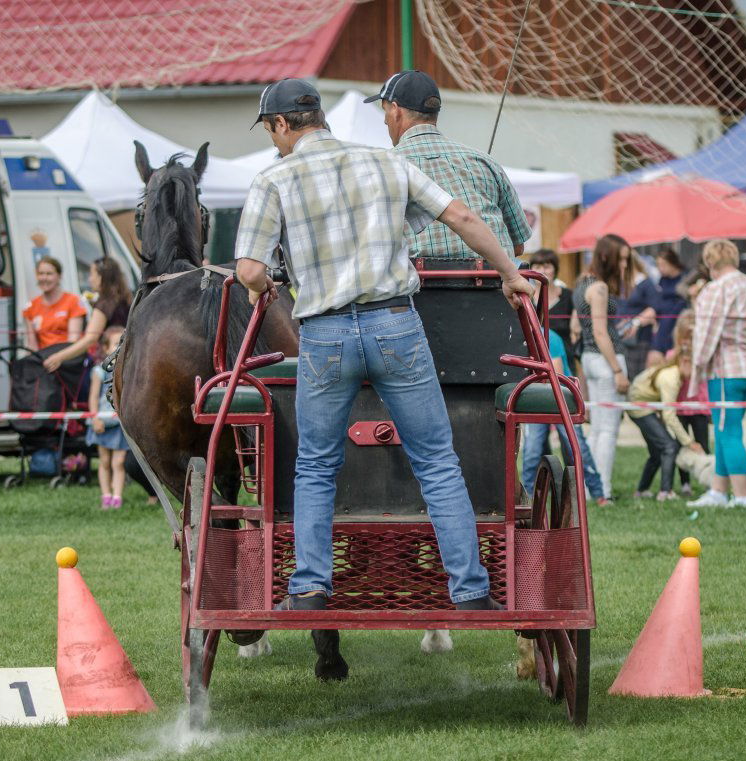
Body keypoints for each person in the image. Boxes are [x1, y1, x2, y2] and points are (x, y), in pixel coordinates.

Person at [234, 78, 533, 611]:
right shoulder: (384, 162)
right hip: (395, 323)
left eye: (272, 131)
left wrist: (266, 287)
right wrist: (511, 274)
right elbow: (462, 217)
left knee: (316, 464)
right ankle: (469, 592)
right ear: (320, 117)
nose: (273, 141)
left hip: (324, 334)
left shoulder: (274, 178)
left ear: (282, 125)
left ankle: (308, 588)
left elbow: (250, 271)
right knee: (438, 461)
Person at [370, 70, 531, 263]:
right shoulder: (484, 161)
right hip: (492, 286)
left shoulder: (383, 167)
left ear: (396, 111)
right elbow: (518, 246)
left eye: (385, 111)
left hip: (421, 289)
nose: (384, 120)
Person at [689, 239, 746, 509]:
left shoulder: (716, 289)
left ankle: (742, 496)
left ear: (711, 263)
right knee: (727, 429)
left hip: (727, 368)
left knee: (728, 432)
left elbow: (706, 332)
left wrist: (697, 365)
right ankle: (717, 490)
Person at [520, 327, 607, 506]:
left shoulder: (549, 337)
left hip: (562, 396)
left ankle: (598, 493)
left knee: (577, 447)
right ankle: (526, 499)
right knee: (531, 450)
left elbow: (557, 374)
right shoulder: (520, 336)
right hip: (537, 397)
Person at [574, 234, 631, 499]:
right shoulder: (599, 287)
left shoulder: (581, 282)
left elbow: (577, 326)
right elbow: (600, 332)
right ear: (607, 257)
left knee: (597, 429)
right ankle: (603, 490)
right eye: (621, 259)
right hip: (605, 358)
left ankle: (589, 489)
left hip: (589, 357)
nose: (623, 266)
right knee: (608, 430)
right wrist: (617, 370)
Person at [85, 327, 157, 509]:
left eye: (122, 343)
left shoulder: (128, 371)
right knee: (104, 461)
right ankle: (106, 495)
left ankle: (117, 497)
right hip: (102, 422)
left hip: (119, 424)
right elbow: (93, 397)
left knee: (118, 462)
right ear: (106, 348)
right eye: (116, 343)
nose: (119, 347)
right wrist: (95, 418)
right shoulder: (98, 372)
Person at [626, 353, 697, 500]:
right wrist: (689, 442)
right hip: (639, 407)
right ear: (684, 361)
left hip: (641, 405)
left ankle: (642, 490)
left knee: (657, 453)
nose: (696, 374)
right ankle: (665, 492)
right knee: (669, 447)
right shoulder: (671, 378)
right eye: (695, 369)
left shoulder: (672, 372)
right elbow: (669, 415)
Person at [43, 257, 133, 372]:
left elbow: (90, 338)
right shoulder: (125, 298)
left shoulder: (104, 303)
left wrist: (58, 357)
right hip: (125, 358)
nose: (89, 279)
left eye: (91, 274)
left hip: (108, 364)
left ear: (101, 277)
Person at [670, 310, 711, 495]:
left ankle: (709, 480)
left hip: (699, 405)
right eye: (684, 337)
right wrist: (679, 356)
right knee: (682, 446)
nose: (687, 341)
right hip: (680, 406)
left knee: (703, 443)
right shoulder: (672, 355)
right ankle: (685, 483)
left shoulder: (702, 355)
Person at [526, 249, 577, 367]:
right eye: (537, 267)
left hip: (565, 359)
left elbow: (575, 331)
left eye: (547, 266)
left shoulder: (568, 296)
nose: (542, 271)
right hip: (535, 362)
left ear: (555, 269)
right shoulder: (526, 299)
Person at [23, 256, 85, 351]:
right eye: (41, 273)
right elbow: (32, 345)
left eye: (49, 274)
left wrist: (57, 359)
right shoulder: (31, 307)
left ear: (59, 276)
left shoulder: (73, 301)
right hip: (43, 358)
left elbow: (73, 340)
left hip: (68, 357)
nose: (44, 278)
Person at [649, 248, 689, 366]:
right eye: (658, 265)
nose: (660, 268)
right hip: (663, 323)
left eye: (663, 265)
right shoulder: (662, 280)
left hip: (677, 322)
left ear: (672, 263)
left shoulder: (686, 278)